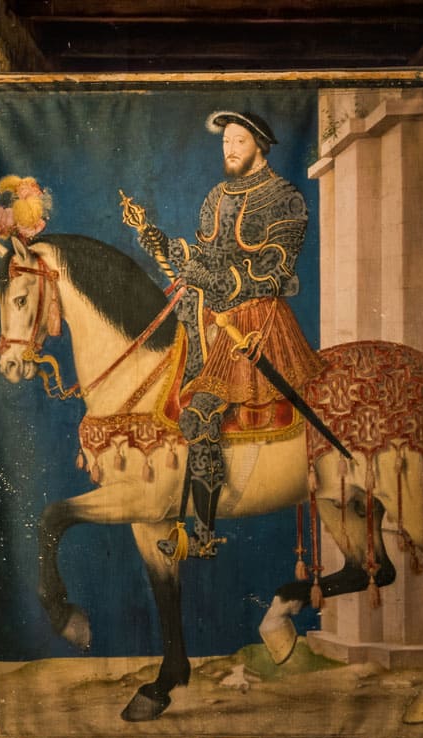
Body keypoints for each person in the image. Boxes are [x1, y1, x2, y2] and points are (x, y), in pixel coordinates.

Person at [138, 111, 323, 558]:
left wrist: (213, 279)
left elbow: (274, 272)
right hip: (208, 315)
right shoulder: (216, 196)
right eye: (225, 142)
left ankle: (202, 535)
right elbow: (203, 254)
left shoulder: (285, 198)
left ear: (260, 143)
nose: (230, 149)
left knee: (200, 414)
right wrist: (163, 244)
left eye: (238, 140)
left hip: (256, 320)